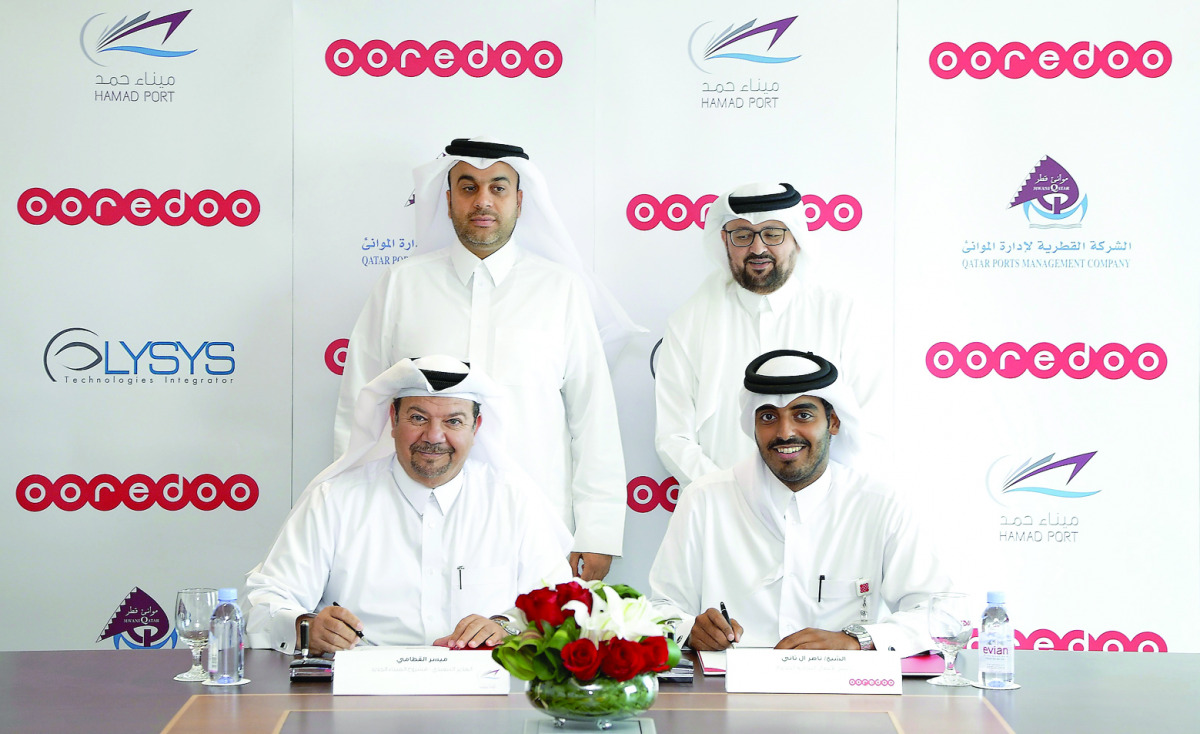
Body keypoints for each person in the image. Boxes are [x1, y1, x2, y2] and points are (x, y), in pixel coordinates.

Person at [335, 137, 638, 581]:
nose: (482, 201)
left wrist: (598, 533)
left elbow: (592, 419)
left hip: (536, 527)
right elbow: (359, 411)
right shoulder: (403, 284)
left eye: (498, 188)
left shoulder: (560, 289)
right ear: (448, 200)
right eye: (468, 187)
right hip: (411, 522)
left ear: (519, 200)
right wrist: (351, 513)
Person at [246, 356, 573, 655]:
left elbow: (563, 603)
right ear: (393, 419)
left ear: (476, 428)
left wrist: (505, 626)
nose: (434, 436)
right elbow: (263, 604)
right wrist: (307, 628)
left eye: (453, 421)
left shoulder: (513, 501)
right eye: (418, 418)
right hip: (361, 689)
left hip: (483, 687)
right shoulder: (334, 500)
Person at [647, 350, 950, 656]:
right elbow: (660, 609)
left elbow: (939, 613)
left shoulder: (880, 504)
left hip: (844, 685)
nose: (785, 433)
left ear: (833, 422)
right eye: (768, 417)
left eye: (802, 415)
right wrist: (689, 630)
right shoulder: (704, 500)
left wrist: (857, 639)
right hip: (727, 683)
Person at [654, 182, 887, 488]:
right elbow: (673, 437)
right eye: (742, 235)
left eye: (773, 233)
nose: (758, 248)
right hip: (721, 507)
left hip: (823, 506)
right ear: (724, 240)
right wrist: (728, 497)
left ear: (797, 238)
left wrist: (822, 499)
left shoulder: (840, 315)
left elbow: (869, 425)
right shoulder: (689, 323)